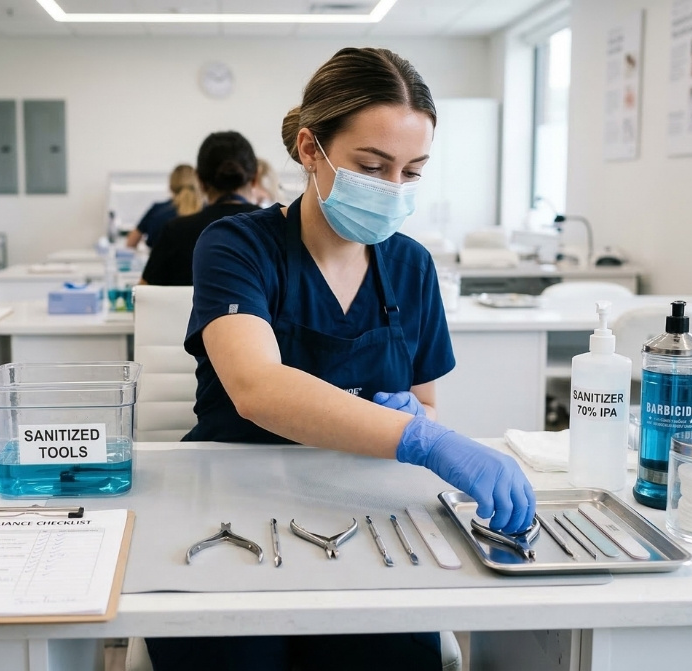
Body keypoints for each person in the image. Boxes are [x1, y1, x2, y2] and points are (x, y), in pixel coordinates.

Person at [145, 47, 536, 671]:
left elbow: (426, 397)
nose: (392, 190)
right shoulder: (236, 246)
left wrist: (420, 415)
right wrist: (424, 441)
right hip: (232, 504)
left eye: (411, 172)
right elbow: (258, 388)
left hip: (364, 513)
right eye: (372, 166)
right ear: (310, 149)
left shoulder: (411, 266)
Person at [139, 131, 260, 286]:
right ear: (255, 177)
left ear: (199, 181)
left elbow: (143, 297)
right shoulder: (279, 227)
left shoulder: (175, 231)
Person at [125, 164, 202, 248]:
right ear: (199, 185)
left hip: (159, 260)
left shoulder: (157, 211)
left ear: (171, 186)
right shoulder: (207, 213)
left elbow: (131, 243)